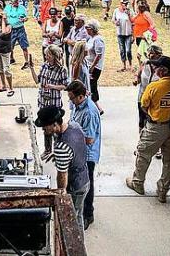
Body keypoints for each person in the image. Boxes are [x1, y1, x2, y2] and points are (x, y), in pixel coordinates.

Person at [126, 58, 170, 203]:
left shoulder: (154, 87)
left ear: (163, 70)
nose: (155, 70)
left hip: (156, 127)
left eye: (157, 67)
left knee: (143, 153)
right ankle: (163, 190)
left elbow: (144, 105)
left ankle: (138, 182)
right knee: (169, 159)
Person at [35, 106, 90, 233]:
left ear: (55, 124)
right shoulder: (74, 126)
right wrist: (58, 155)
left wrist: (61, 194)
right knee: (78, 215)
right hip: (85, 180)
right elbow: (75, 148)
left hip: (75, 186)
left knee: (71, 221)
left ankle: (75, 249)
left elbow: (62, 176)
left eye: (45, 126)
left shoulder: (62, 147)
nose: (43, 129)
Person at [67, 80, 102, 230]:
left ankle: (88, 214)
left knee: (86, 185)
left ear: (81, 96)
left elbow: (89, 139)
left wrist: (71, 135)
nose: (71, 101)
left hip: (87, 155)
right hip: (77, 151)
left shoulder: (89, 112)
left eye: (72, 98)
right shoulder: (78, 106)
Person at [84, 20, 106, 113]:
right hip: (89, 65)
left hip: (94, 67)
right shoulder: (90, 38)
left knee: (92, 86)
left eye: (88, 28)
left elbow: (98, 55)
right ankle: (93, 106)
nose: (86, 30)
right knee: (89, 86)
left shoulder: (98, 39)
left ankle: (97, 108)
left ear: (93, 29)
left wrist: (92, 66)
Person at [3, 0, 30, 68]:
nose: (17, 2)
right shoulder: (7, 8)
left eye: (17, 1)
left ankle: (27, 61)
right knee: (10, 46)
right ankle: (11, 59)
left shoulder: (22, 8)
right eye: (15, 1)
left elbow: (26, 17)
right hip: (11, 29)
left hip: (20, 29)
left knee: (24, 46)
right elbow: (4, 16)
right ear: (11, 2)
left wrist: (24, 19)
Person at [112, 1, 133, 72]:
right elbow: (113, 20)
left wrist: (129, 14)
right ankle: (123, 65)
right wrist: (116, 22)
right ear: (121, 4)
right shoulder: (116, 11)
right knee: (122, 50)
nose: (126, 5)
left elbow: (133, 21)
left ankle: (130, 65)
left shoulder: (130, 11)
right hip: (120, 33)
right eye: (124, 4)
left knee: (128, 50)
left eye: (127, 4)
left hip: (128, 33)